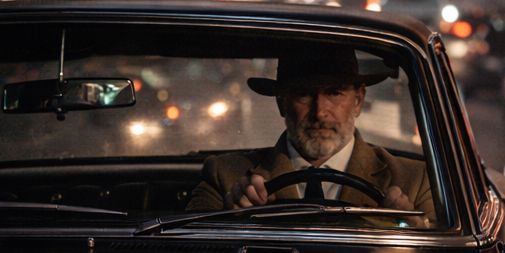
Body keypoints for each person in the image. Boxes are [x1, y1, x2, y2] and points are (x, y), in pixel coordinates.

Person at [186, 47, 435, 221]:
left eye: (335, 93)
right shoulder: (225, 176)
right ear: (281, 103)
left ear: (358, 101)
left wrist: (411, 226)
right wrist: (230, 217)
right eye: (304, 94)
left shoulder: (415, 180)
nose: (320, 112)